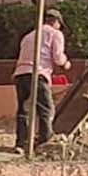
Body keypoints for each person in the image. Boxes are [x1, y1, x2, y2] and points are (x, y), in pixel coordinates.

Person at [14, 8, 68, 151]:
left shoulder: (29, 36)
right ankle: (44, 143)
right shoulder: (55, 34)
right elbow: (58, 57)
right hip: (38, 74)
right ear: (56, 22)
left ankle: (21, 144)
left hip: (20, 74)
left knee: (24, 111)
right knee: (46, 110)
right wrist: (65, 63)